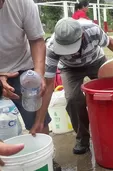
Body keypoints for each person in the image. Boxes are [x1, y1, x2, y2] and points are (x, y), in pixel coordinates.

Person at [40, 18, 113, 155]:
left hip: (96, 61)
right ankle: (83, 139)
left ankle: (112, 131)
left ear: (81, 35)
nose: (70, 52)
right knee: (73, 99)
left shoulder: (92, 30)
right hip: (70, 69)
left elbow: (111, 43)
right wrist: (41, 115)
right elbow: (49, 84)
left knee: (110, 94)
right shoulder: (51, 47)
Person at [0, 0, 61, 170]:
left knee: (37, 118)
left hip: (22, 68)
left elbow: (36, 40)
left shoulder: (23, 3)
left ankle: (45, 157)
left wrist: (38, 74)